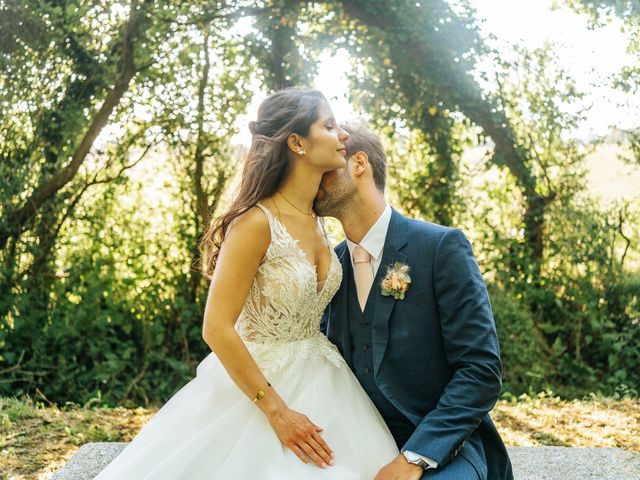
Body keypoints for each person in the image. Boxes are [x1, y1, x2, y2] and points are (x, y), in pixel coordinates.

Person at [94, 89, 398, 479]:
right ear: (297, 143)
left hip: (328, 382)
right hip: (262, 388)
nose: (342, 136)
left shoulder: (320, 221)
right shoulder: (255, 223)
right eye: (329, 125)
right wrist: (278, 411)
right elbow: (216, 327)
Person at [315, 123, 514, 480]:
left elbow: (481, 370)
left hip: (445, 448)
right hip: (357, 446)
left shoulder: (440, 248)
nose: (312, 178)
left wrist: (413, 458)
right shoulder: (331, 268)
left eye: (323, 169)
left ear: (359, 164)